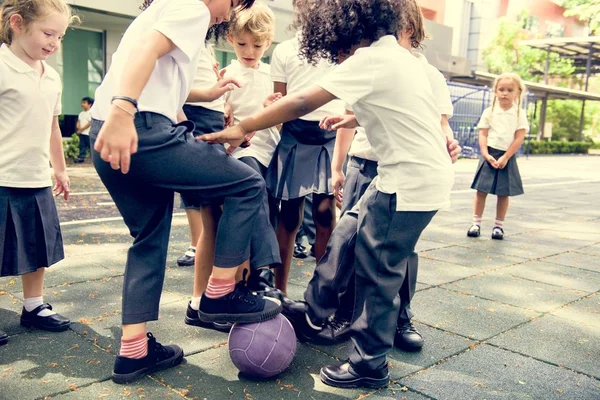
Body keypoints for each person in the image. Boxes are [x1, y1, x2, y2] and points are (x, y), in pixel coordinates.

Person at [200, 0, 454, 388]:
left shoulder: (370, 59)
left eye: (334, 45)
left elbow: (301, 101)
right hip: (402, 176)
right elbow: (402, 104)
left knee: (377, 268)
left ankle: (369, 363)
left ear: (347, 32)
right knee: (346, 232)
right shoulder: (396, 57)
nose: (334, 54)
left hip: (410, 183)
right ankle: (314, 313)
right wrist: (353, 117)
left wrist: (244, 126)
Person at [89, 0, 282, 384]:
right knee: (247, 184)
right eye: (232, 3)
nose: (227, 14)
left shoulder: (161, 8)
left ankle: (134, 351)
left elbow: (152, 74)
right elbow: (146, 55)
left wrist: (207, 95)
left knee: (148, 237)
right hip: (138, 129)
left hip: (111, 130)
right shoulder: (191, 6)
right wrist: (124, 112)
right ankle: (220, 293)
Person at [304, 0, 459, 351]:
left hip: (405, 174)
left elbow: (433, 120)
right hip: (371, 165)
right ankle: (323, 308)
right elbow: (379, 104)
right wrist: (342, 152)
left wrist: (447, 142)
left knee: (385, 260)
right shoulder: (379, 60)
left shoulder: (416, 69)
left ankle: (383, 338)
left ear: (408, 31)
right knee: (348, 238)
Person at [184, 3, 282, 333]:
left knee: (227, 226)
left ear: (268, 42)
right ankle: (258, 274)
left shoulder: (272, 76)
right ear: (230, 39)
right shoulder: (226, 73)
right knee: (228, 217)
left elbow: (278, 118)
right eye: (242, 44)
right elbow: (223, 114)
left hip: (267, 152)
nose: (249, 51)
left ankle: (215, 297)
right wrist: (227, 110)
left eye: (257, 44)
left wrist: (271, 110)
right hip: (237, 152)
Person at [0, 0, 76, 346]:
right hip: (3, 175)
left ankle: (33, 307)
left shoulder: (53, 76)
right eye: (48, 33)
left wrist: (59, 169)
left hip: (36, 176)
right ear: (17, 23)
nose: (54, 42)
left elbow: (51, 126)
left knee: (37, 245)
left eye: (59, 36)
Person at [267, 0, 345, 294]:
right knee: (289, 214)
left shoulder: (341, 46)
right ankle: (280, 292)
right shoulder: (284, 49)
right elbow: (279, 103)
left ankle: (321, 296)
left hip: (331, 135)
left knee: (326, 212)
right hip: (294, 134)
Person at [176, 24, 229, 269]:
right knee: (190, 185)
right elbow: (174, 85)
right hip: (192, 110)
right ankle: (198, 243)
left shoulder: (205, 42)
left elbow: (212, 85)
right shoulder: (182, 32)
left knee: (212, 186)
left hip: (213, 113)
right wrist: (208, 94)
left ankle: (210, 243)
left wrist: (222, 100)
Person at [467, 72, 528, 240]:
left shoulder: (519, 113)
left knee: (503, 193)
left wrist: (506, 157)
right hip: (489, 154)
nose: (505, 93)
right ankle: (475, 223)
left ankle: (498, 226)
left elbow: (519, 137)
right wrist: (485, 153)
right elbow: (483, 134)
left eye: (510, 90)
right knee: (481, 191)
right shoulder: (489, 111)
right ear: (495, 91)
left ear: (517, 92)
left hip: (506, 156)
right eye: (501, 89)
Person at [74, 96, 93, 163]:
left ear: (89, 104)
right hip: (82, 134)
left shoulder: (91, 113)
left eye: (84, 103)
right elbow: (79, 121)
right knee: (82, 146)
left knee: (91, 147)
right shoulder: (81, 113)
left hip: (88, 133)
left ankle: (94, 159)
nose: (82, 104)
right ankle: (81, 158)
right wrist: (78, 127)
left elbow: (89, 123)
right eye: (82, 102)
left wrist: (81, 129)